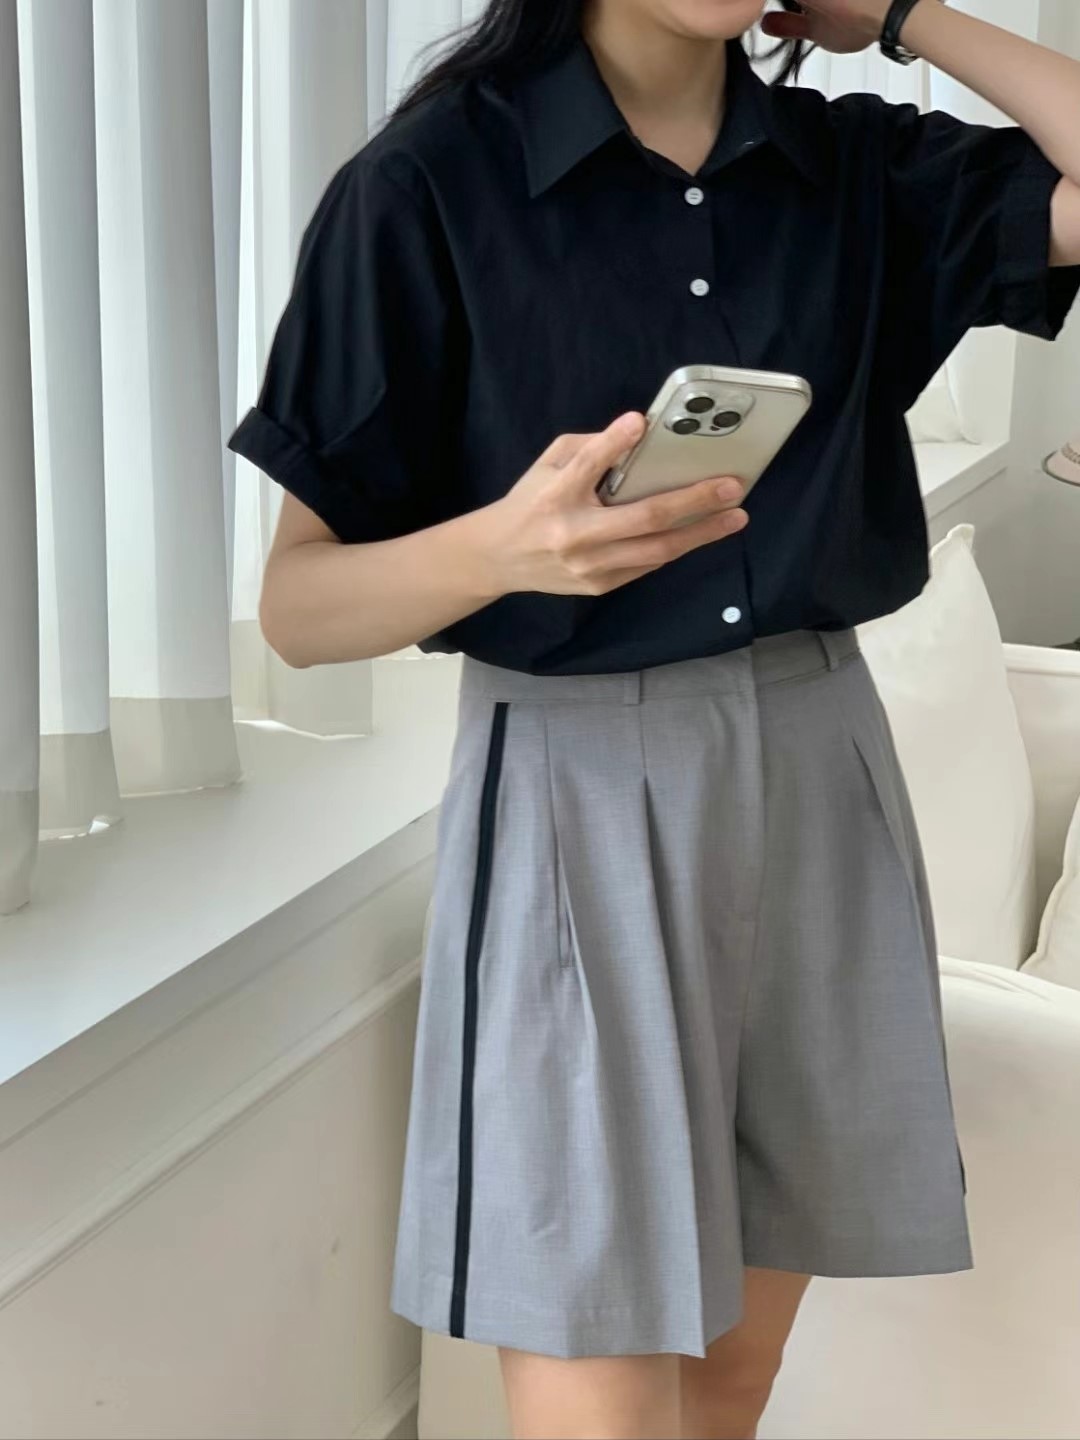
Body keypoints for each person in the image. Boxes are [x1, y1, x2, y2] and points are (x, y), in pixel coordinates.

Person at [228, 1, 1080, 1434]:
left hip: (817, 763)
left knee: (730, 1382)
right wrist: (507, 549)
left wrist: (904, 14)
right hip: (574, 783)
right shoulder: (430, 183)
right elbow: (299, 610)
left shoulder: (851, 169)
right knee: (596, 1375)